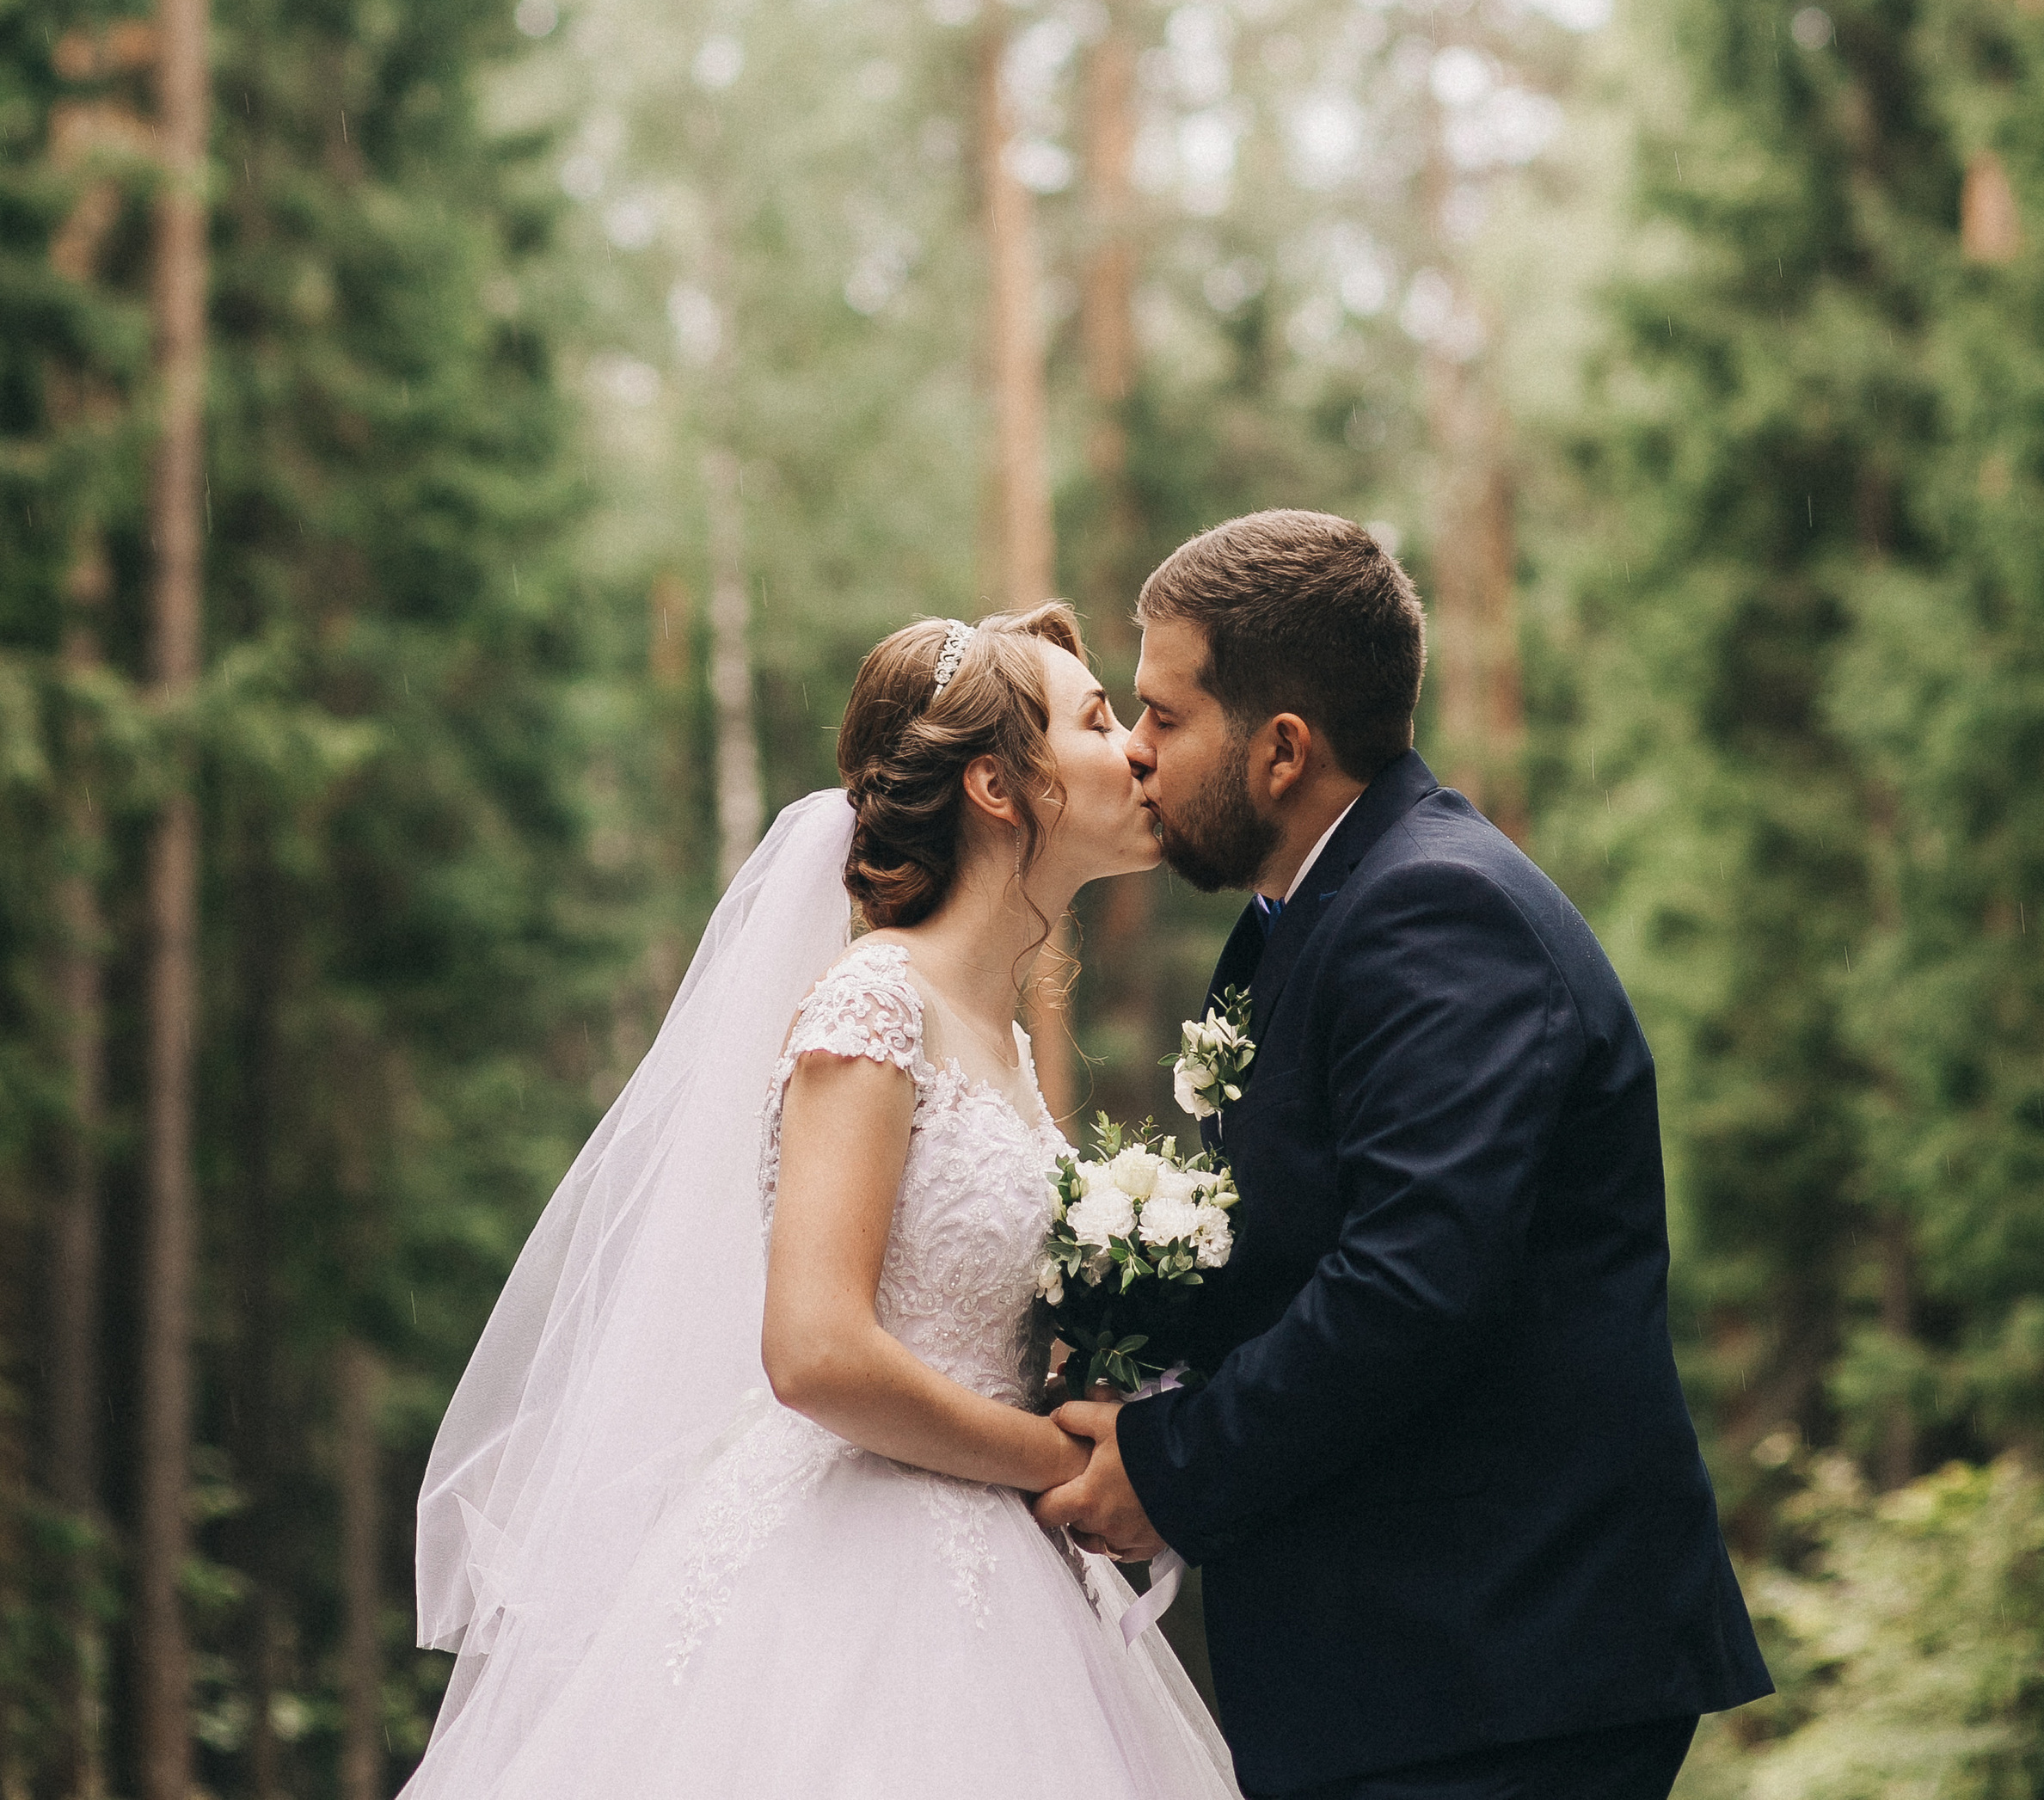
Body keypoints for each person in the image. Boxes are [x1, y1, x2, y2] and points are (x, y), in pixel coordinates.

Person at [407, 602, 1238, 1800]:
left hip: (1005, 1574)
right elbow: (815, 1352)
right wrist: (1051, 1456)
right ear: (1002, 787)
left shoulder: (992, 1038)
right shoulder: (872, 1005)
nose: (1136, 751)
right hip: (862, 1574)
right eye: (1099, 720)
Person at [1035, 509, 1773, 1800]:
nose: (1138, 753)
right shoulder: (1313, 915)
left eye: (1162, 715)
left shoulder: (1437, 913)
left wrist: (1171, 1469)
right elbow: (1302, 1247)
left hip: (1504, 1670)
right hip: (1417, 1666)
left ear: (1280, 750)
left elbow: (1414, 1282)